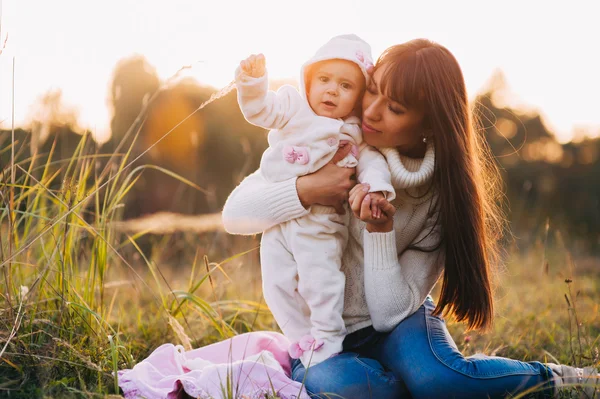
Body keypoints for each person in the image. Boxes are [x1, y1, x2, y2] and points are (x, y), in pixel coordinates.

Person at [223, 38, 599, 398]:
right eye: (371, 90)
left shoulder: (441, 198)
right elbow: (235, 215)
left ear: (429, 124)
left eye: (396, 108)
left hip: (401, 322)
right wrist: (307, 189)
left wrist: (380, 229)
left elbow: (389, 315)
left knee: (437, 380)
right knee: (348, 388)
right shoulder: (330, 141)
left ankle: (556, 380)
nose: (370, 110)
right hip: (325, 333)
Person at [233, 34, 395, 368]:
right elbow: (261, 110)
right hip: (279, 221)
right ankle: (299, 337)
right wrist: (253, 83)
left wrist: (377, 188)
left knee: (321, 282)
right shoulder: (293, 105)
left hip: (321, 224)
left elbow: (372, 162)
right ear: (308, 79)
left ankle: (326, 341)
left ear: (358, 97)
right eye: (323, 79)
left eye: (345, 85)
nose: (332, 90)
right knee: (276, 284)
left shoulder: (354, 134)